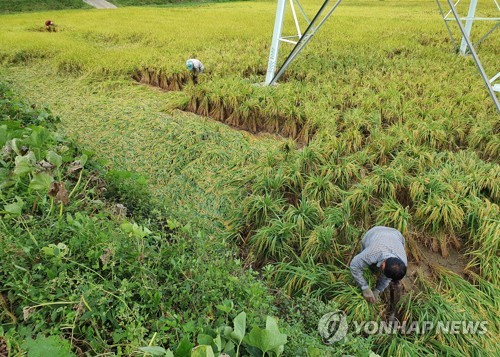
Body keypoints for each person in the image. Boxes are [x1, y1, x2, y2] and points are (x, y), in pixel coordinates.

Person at [350, 226, 407, 304]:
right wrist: (365, 287)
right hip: (375, 232)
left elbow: (387, 277)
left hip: (396, 235)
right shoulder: (372, 253)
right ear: (383, 264)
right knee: (363, 261)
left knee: (386, 274)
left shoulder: (402, 262)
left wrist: (377, 290)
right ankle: (371, 267)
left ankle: (375, 271)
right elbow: (354, 266)